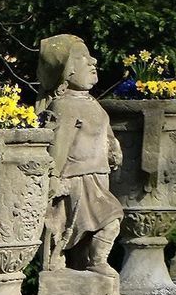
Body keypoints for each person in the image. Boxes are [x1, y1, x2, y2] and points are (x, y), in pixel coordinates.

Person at [36, 34, 123, 276]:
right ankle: (98, 261)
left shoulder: (92, 103)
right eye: (84, 58)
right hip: (77, 179)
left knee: (86, 230)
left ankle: (83, 267)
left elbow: (105, 133)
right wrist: (53, 178)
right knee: (110, 219)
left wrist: (114, 147)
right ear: (68, 72)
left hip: (99, 175)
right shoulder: (64, 106)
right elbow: (58, 146)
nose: (93, 61)